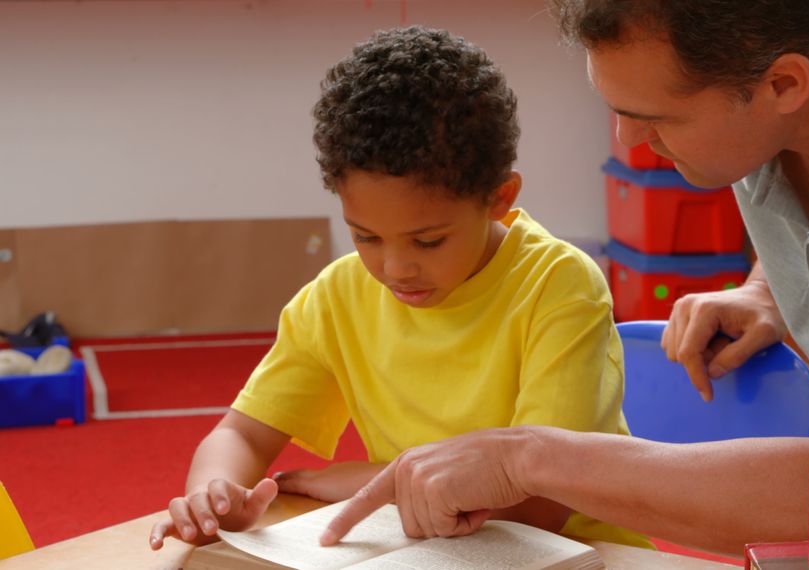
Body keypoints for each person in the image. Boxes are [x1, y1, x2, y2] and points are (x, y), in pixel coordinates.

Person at [320, 0, 809, 553]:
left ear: (785, 85)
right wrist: (767, 288)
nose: (630, 140)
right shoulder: (777, 80)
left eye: (657, 118)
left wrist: (526, 458)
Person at [148, 25, 649, 551]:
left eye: (428, 241)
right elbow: (243, 434)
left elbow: (540, 504)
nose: (394, 269)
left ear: (499, 198)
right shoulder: (338, 297)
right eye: (365, 236)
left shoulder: (559, 285)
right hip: (428, 547)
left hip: (585, 554)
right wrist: (212, 494)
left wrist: (375, 482)